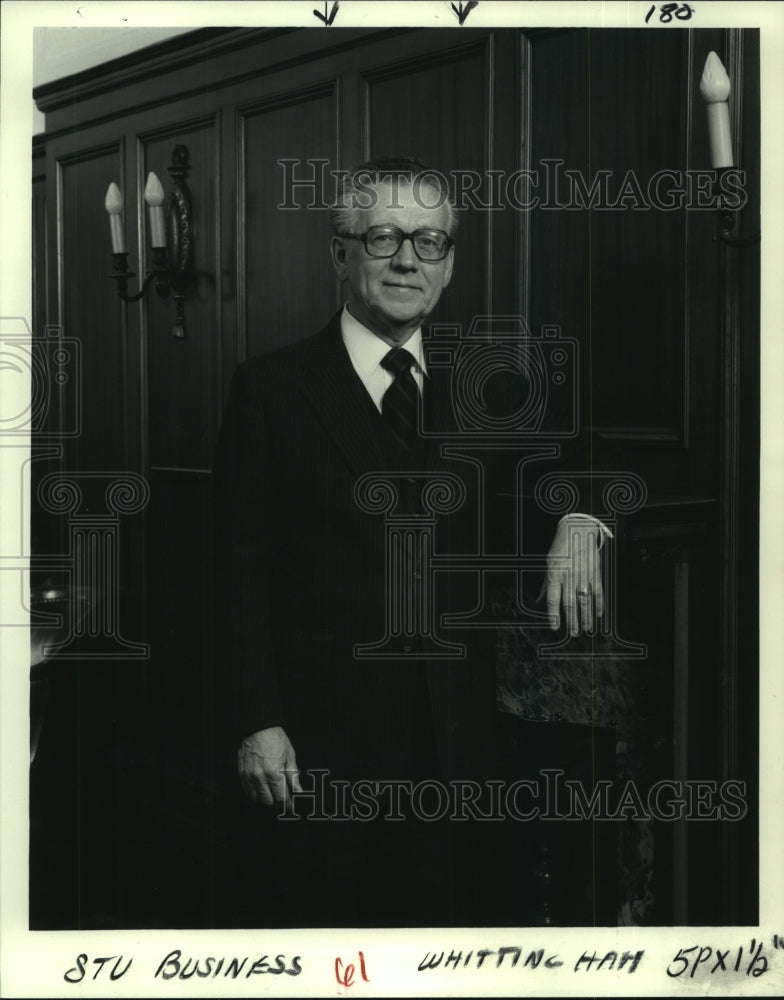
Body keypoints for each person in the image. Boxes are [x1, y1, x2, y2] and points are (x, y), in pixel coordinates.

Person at [213, 157, 607, 927]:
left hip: (461, 747)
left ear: (450, 263)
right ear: (340, 252)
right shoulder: (270, 389)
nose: (406, 260)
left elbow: (583, 454)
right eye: (384, 236)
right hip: (321, 747)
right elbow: (236, 573)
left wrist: (582, 516)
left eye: (429, 242)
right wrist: (256, 721)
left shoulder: (485, 383)